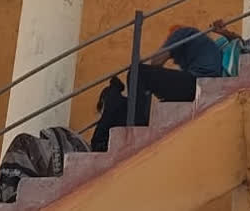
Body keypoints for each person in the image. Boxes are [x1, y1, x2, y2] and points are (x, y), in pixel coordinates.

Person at [92, 25, 224, 151]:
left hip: (197, 84)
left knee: (138, 72)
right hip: (203, 86)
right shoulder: (203, 47)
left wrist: (169, 51)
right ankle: (138, 120)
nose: (175, 61)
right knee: (153, 90)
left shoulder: (181, 33)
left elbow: (157, 62)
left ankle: (137, 125)